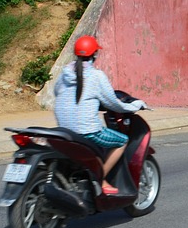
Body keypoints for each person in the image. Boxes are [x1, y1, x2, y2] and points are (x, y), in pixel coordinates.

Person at [53, 35, 146, 195]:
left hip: (65, 131)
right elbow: (113, 103)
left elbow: (56, 91)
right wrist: (135, 105)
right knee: (121, 141)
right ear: (94, 54)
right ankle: (100, 179)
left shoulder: (65, 73)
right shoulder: (96, 76)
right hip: (88, 131)